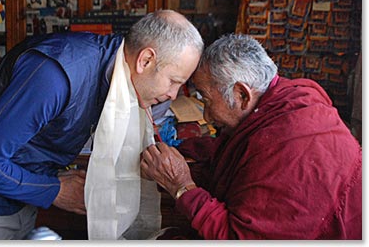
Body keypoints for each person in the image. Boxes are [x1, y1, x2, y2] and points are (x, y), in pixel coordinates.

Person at [0, 9, 203, 240]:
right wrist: (55, 190)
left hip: (23, 198)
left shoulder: (122, 73)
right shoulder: (55, 76)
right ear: (146, 60)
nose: (173, 95)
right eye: (173, 81)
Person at [141, 33, 362, 240]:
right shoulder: (283, 99)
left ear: (241, 95)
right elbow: (238, 150)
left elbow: (238, 238)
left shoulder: (291, 147)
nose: (206, 116)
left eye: (206, 99)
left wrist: (181, 186)